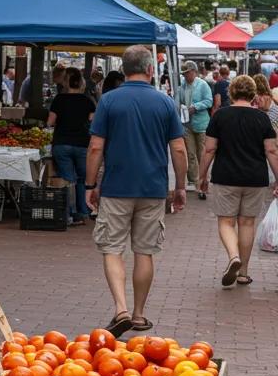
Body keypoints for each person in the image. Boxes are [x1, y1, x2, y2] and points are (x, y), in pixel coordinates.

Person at [84, 46, 186, 338]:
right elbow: (178, 148)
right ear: (150, 69)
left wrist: (90, 185)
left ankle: (121, 309)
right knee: (145, 251)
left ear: (124, 69)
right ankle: (139, 314)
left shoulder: (109, 101)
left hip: (117, 187)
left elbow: (95, 147)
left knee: (112, 248)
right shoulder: (164, 102)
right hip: (153, 189)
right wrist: (179, 186)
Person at [199, 74, 278, 288]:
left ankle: (233, 256)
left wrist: (201, 175)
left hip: (226, 176)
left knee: (226, 221)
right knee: (247, 223)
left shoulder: (220, 116)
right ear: (253, 94)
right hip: (255, 177)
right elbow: (271, 150)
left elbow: (210, 148)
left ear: (231, 92)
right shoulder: (262, 118)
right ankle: (243, 272)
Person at [48, 67, 96, 225]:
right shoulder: (88, 101)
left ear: (65, 81)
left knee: (67, 179)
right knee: (83, 179)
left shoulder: (59, 99)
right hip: (82, 143)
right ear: (81, 82)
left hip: (61, 143)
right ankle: (82, 212)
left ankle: (67, 213)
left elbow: (50, 122)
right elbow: (93, 122)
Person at [178, 60, 213, 201]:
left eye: (187, 73)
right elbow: (179, 100)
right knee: (190, 154)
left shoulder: (202, 84)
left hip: (201, 124)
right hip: (187, 124)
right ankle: (193, 181)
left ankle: (203, 182)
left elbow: (209, 101)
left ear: (194, 71)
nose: (185, 76)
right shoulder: (182, 85)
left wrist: (196, 106)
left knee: (202, 154)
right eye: (184, 74)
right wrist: (181, 107)